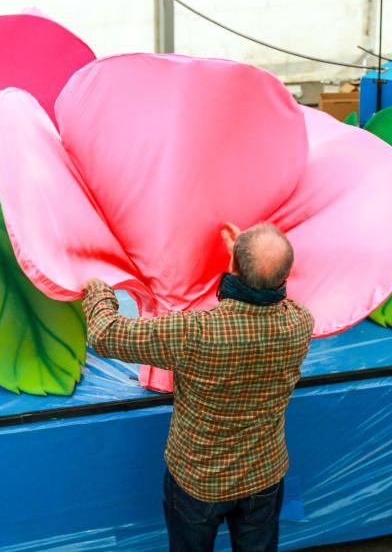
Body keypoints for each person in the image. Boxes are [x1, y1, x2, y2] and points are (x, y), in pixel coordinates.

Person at [82, 222, 313, 552]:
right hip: (264, 475)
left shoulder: (195, 333)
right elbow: (268, 296)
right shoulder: (300, 322)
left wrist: (99, 288)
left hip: (198, 480)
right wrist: (246, 263)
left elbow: (104, 334)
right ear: (285, 276)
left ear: (233, 266)